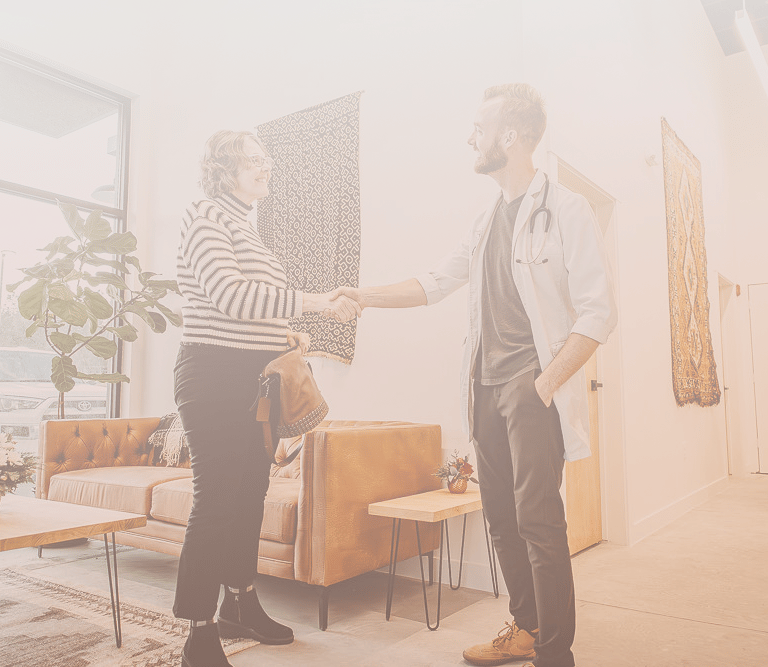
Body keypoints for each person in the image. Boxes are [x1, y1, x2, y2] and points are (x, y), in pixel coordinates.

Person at [334, 84, 617, 667]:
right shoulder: (486, 220)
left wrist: (544, 383)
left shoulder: (567, 210)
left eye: (478, 128)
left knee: (539, 521)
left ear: (509, 136)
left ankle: (555, 654)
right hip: (483, 388)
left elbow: (599, 313)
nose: (470, 138)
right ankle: (527, 629)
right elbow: (434, 283)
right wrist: (362, 295)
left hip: (530, 388)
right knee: (503, 521)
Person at [173, 129, 360, 667]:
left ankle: (240, 603)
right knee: (217, 499)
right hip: (212, 377)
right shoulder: (206, 215)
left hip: (252, 381)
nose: (265, 167)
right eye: (253, 160)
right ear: (224, 169)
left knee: (250, 493)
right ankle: (199, 631)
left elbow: (250, 310)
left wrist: (283, 334)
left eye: (266, 159)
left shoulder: (246, 229)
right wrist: (318, 305)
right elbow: (231, 297)